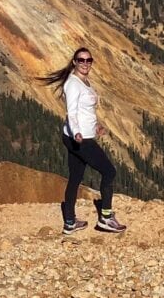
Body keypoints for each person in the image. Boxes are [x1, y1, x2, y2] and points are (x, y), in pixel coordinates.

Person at [39, 46, 126, 234]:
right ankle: (106, 217)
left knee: (75, 178)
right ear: (74, 62)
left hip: (79, 135)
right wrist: (78, 132)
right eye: (81, 60)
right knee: (109, 172)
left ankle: (69, 222)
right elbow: (71, 112)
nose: (85, 63)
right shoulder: (72, 84)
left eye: (88, 60)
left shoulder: (83, 81)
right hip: (80, 139)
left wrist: (96, 125)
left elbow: (85, 110)